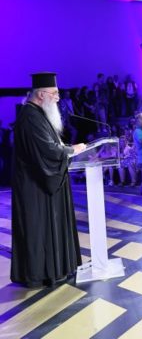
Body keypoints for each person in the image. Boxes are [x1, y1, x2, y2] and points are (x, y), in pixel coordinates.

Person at [11, 72, 87, 288]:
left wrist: (65, 149)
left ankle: (55, 270)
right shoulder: (30, 116)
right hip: (33, 186)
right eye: (54, 93)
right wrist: (72, 150)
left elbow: (49, 145)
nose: (58, 98)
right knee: (38, 230)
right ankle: (40, 274)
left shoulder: (37, 113)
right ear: (41, 94)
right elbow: (46, 150)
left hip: (38, 184)